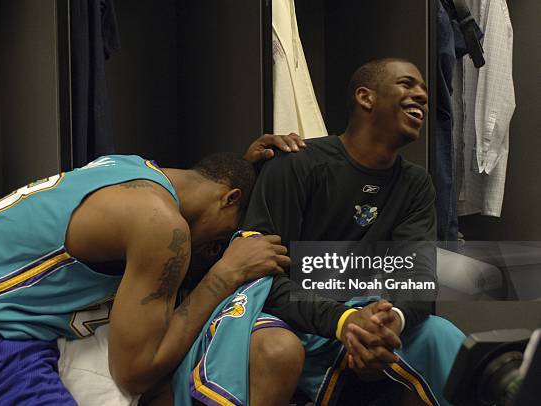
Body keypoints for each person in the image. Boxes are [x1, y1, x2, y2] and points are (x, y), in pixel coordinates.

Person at [174, 58, 466, 405]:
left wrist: (390, 323)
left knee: (442, 336)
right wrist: (345, 322)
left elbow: (417, 275)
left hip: (367, 321)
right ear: (365, 97)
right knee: (274, 345)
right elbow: (259, 278)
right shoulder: (295, 163)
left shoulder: (416, 184)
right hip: (294, 320)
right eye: (407, 84)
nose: (421, 96)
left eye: (424, 92)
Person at [0, 151, 291, 405]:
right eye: (227, 234)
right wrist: (226, 273)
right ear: (230, 198)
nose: (218, 245)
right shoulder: (162, 226)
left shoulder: (127, 167)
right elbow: (135, 372)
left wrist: (251, 166)